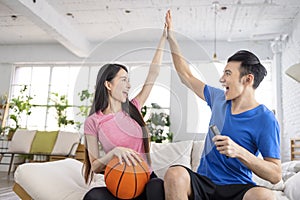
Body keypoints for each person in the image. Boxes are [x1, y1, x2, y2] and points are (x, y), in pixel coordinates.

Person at [163, 10, 281, 200]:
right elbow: (186, 76)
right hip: (205, 183)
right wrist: (172, 39)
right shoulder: (219, 98)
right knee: (174, 174)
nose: (221, 79)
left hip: (238, 187)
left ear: (247, 79)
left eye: (228, 74)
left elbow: (275, 175)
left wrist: (240, 152)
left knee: (264, 195)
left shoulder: (265, 119)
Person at [83, 26, 167, 200]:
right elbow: (96, 166)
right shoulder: (93, 121)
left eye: (129, 81)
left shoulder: (134, 107)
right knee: (92, 197)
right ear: (108, 85)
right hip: (119, 184)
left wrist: (164, 37)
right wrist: (114, 152)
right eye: (123, 80)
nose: (128, 85)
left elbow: (153, 73)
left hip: (145, 180)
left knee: (157, 186)